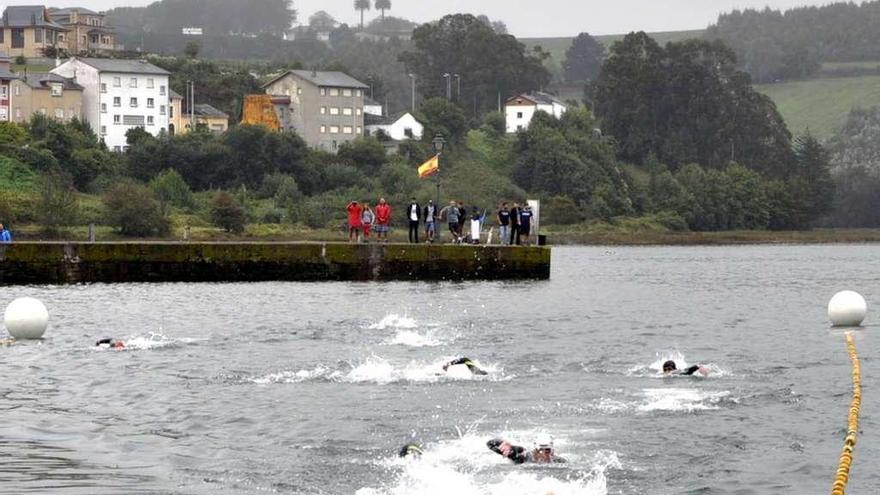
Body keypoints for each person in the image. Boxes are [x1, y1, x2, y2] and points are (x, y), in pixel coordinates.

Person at [487, 435, 566, 464]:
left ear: (552, 451)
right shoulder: (522, 456)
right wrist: (502, 443)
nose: (544, 454)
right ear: (535, 450)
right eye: (540, 450)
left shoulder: (559, 461)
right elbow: (490, 443)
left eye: (547, 450)